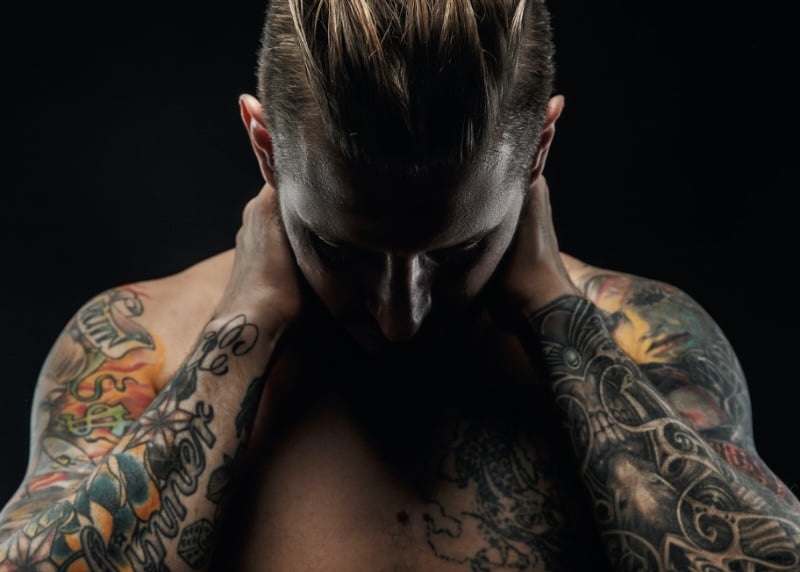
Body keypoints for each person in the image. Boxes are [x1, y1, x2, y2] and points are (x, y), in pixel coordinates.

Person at [1, 0, 798, 570]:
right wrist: (239, 335)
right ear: (265, 148)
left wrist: (561, 322)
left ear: (539, 149)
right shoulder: (143, 345)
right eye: (342, 250)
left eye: (456, 253)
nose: (399, 316)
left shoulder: (644, 340)